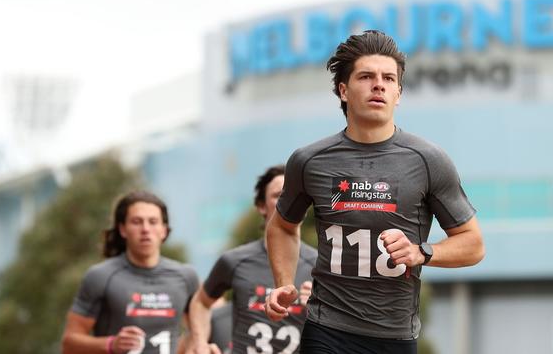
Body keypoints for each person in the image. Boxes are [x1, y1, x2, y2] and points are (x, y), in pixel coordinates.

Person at [264, 30, 485, 354]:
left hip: (394, 336)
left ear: (398, 92)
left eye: (388, 78)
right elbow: (282, 226)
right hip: (327, 329)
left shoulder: (428, 160)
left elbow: (473, 244)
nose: (378, 84)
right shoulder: (309, 160)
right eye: (366, 76)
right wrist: (284, 282)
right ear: (343, 90)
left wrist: (421, 252)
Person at [187, 165, 317, 354]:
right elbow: (200, 302)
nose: (288, 201)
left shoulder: (320, 264)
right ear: (261, 206)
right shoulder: (234, 260)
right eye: (278, 195)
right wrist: (199, 343)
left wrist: (320, 307)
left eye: (295, 195)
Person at [62, 190, 204, 354]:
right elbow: (69, 343)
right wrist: (111, 344)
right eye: (137, 222)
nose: (145, 229)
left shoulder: (186, 276)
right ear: (123, 229)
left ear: (164, 230)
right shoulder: (101, 276)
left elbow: (202, 325)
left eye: (153, 222)